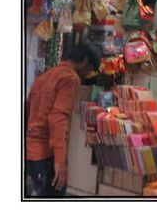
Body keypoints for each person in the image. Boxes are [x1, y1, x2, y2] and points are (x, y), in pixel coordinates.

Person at [26, 41, 98, 197]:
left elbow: (28, 109)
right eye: (90, 69)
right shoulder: (70, 78)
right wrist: (60, 161)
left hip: (32, 151)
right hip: (47, 154)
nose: (88, 74)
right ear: (85, 61)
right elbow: (58, 117)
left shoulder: (45, 77)